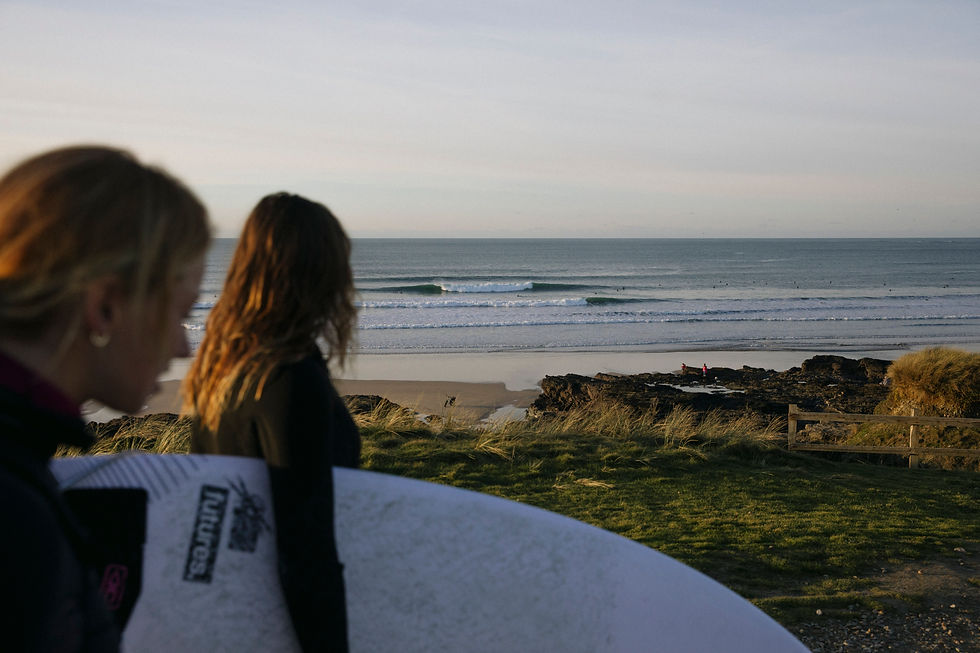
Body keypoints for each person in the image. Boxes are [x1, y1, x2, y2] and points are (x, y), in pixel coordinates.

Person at [0, 145, 210, 651]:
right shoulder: (13, 520)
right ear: (106, 306)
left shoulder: (22, 460)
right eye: (178, 313)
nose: (185, 346)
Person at [183, 192, 360, 652]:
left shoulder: (221, 368)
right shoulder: (288, 380)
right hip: (278, 625)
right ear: (317, 272)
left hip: (231, 611)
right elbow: (306, 549)